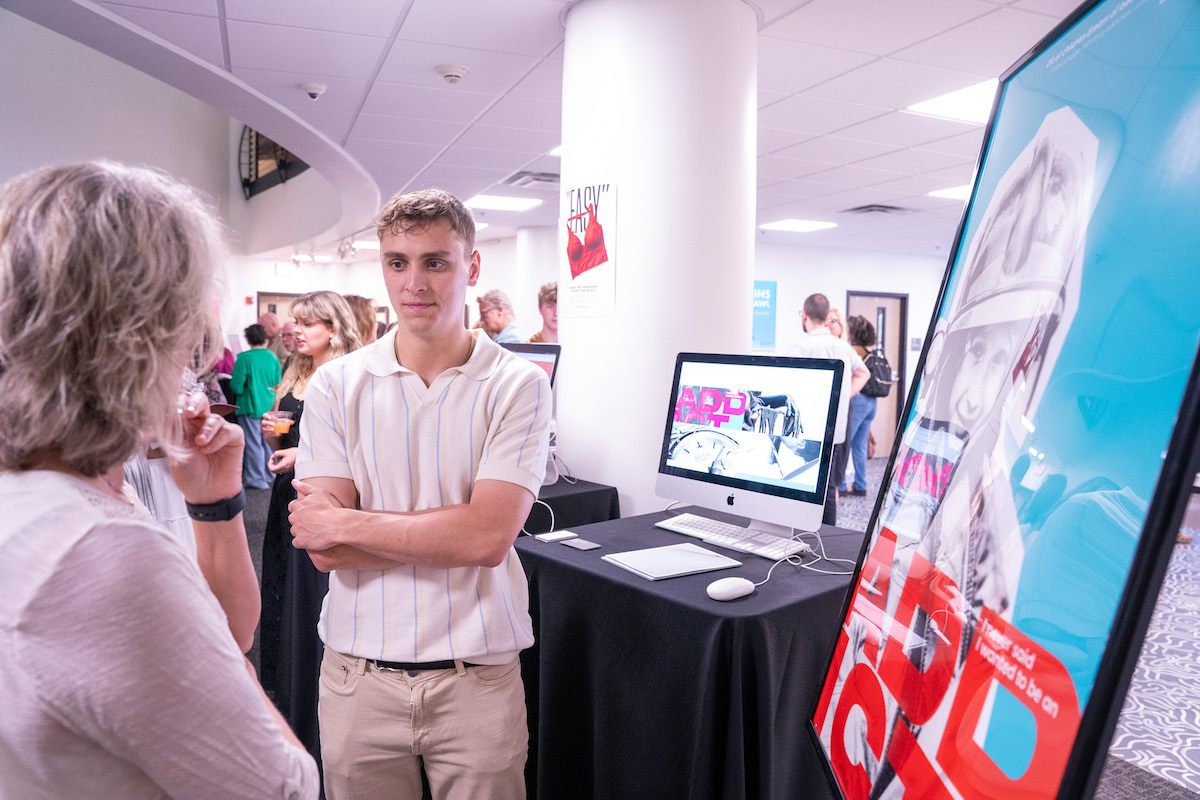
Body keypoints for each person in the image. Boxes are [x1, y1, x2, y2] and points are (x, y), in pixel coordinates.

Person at [0, 161, 317, 798]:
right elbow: (283, 788)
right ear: (140, 336)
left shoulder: (60, 494)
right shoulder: (96, 547)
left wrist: (215, 505)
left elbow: (225, 634)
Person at [289, 187, 552, 800]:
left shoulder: (517, 385)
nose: (415, 282)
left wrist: (350, 523)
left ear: (472, 266)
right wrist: (447, 531)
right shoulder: (334, 385)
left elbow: (487, 538)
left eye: (436, 261)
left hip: (477, 683)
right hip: (358, 678)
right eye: (397, 262)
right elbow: (322, 551)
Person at [258, 290, 365, 776]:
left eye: (309, 323)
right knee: (282, 591)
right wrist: (274, 436)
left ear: (334, 327)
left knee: (313, 596)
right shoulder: (297, 374)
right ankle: (291, 701)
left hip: (321, 500)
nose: (297, 331)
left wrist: (300, 454)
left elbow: (356, 450)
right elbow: (287, 435)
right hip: (287, 499)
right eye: (296, 323)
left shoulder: (347, 377)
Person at [790, 293, 869, 526]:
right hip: (835, 431)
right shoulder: (843, 348)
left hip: (807, 429)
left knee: (801, 484)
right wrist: (844, 395)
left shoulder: (800, 347)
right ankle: (827, 537)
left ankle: (800, 532)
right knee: (829, 487)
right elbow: (864, 373)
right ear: (826, 318)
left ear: (804, 315)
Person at [231, 323, 281, 490]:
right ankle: (270, 474)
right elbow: (278, 384)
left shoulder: (244, 358)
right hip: (269, 405)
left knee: (253, 445)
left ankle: (256, 480)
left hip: (249, 406)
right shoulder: (273, 357)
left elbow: (236, 386)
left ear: (248, 339)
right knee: (267, 443)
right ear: (265, 338)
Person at [840, 315, 879, 497]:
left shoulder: (852, 351)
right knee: (860, 445)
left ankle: (839, 486)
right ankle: (860, 485)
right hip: (871, 403)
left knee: (844, 443)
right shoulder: (870, 351)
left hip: (858, 399)